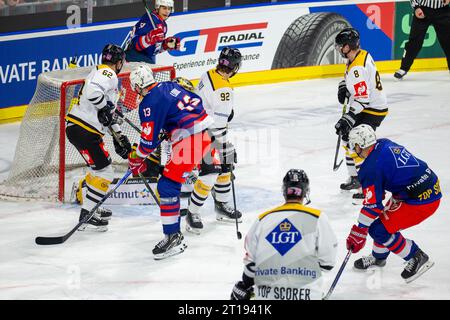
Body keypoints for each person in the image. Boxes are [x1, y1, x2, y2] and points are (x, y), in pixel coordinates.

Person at [127, 64, 213, 260]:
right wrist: (173, 124)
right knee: (168, 183)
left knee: (167, 186)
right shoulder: (167, 85)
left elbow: (148, 144)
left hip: (191, 140)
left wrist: (136, 158)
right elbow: (195, 101)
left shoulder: (148, 102)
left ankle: (174, 237)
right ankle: (173, 234)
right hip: (203, 134)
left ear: (138, 86)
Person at [345, 125, 441, 283]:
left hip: (421, 200)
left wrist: (359, 232)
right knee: (383, 223)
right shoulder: (383, 143)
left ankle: (417, 256)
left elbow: (373, 206)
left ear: (358, 145)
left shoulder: (370, 168)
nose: (353, 150)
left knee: (379, 230)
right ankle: (378, 258)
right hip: (425, 185)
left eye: (353, 146)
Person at [230, 169, 338, 300]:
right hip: (307, 294)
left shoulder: (263, 219)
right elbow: (328, 263)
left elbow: (251, 264)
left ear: (284, 191)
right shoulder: (318, 218)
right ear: (305, 192)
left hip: (267, 296)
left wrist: (245, 285)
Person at [65, 44, 132, 231]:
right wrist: (104, 107)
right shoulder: (108, 74)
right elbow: (94, 95)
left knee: (99, 170)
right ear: (119, 63)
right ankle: (87, 213)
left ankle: (92, 207)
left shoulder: (99, 72)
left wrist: (119, 136)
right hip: (84, 130)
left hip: (79, 129)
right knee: (105, 172)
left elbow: (106, 114)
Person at [183, 47, 243, 235]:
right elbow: (218, 126)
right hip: (202, 133)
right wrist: (226, 147)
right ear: (235, 67)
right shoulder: (224, 89)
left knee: (225, 166)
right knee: (210, 173)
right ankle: (192, 214)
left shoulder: (207, 74)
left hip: (196, 127)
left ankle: (221, 205)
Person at [334, 28, 388, 201]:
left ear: (349, 47)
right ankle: (355, 177)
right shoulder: (357, 56)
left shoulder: (357, 67)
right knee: (346, 137)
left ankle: (368, 184)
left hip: (372, 109)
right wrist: (344, 85)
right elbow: (354, 81)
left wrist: (348, 117)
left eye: (341, 46)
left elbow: (363, 99)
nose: (339, 49)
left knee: (358, 142)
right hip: (367, 105)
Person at [394, 0, 450, 80]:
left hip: (442, 10)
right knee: (414, 41)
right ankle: (403, 68)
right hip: (423, 9)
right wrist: (416, 7)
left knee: (448, 41)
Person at [124, 0, 180, 64]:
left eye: (169, 8)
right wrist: (148, 38)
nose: (167, 11)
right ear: (158, 8)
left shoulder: (163, 25)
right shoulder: (149, 19)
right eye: (164, 8)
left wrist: (166, 45)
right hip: (133, 56)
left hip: (145, 57)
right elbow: (135, 44)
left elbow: (155, 50)